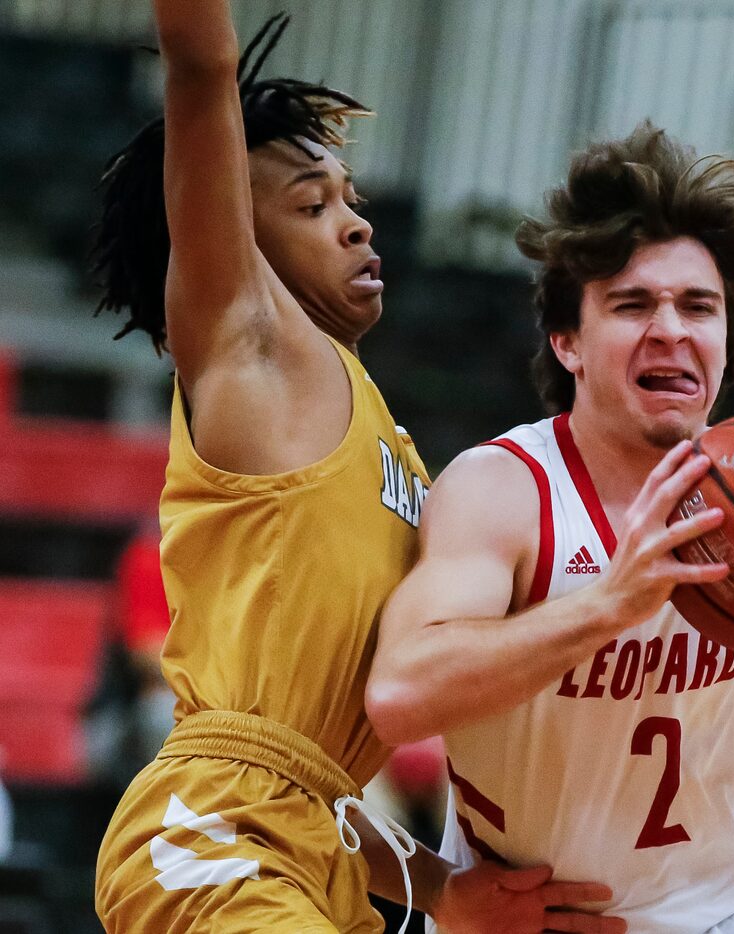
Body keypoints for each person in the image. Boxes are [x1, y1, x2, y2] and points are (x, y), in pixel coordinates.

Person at [88, 6, 603, 931]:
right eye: (311, 205)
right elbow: (202, 70)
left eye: (353, 200)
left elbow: (311, 784)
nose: (357, 224)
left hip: (309, 840)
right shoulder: (249, 350)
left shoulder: (389, 442)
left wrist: (445, 890)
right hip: (211, 838)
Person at [366, 125, 734, 933]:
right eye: (632, 304)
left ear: (726, 341)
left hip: (732, 908)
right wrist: (606, 605)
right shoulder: (504, 489)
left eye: (697, 306)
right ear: (567, 341)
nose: (670, 328)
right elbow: (399, 697)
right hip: (526, 920)